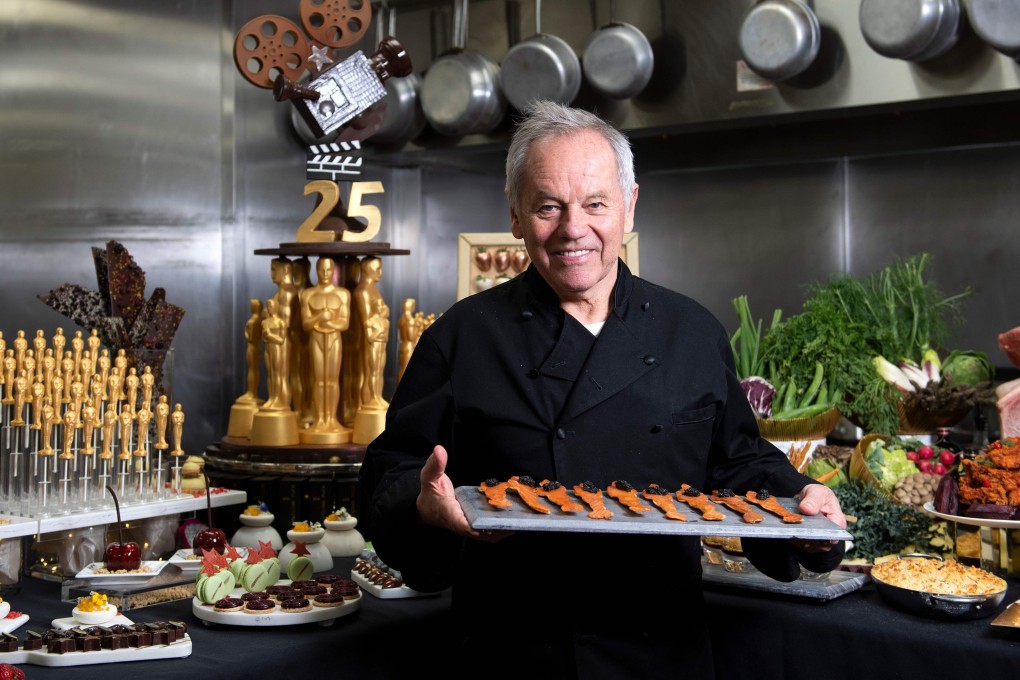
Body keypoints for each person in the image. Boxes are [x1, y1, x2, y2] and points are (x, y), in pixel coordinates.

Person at [357, 101, 846, 679]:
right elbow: (390, 469)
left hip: (660, 650)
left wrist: (803, 507)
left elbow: (737, 463)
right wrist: (422, 504)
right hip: (512, 651)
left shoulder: (690, 331)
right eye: (547, 207)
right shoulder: (462, 337)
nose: (573, 229)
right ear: (515, 215)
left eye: (595, 204)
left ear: (629, 206)